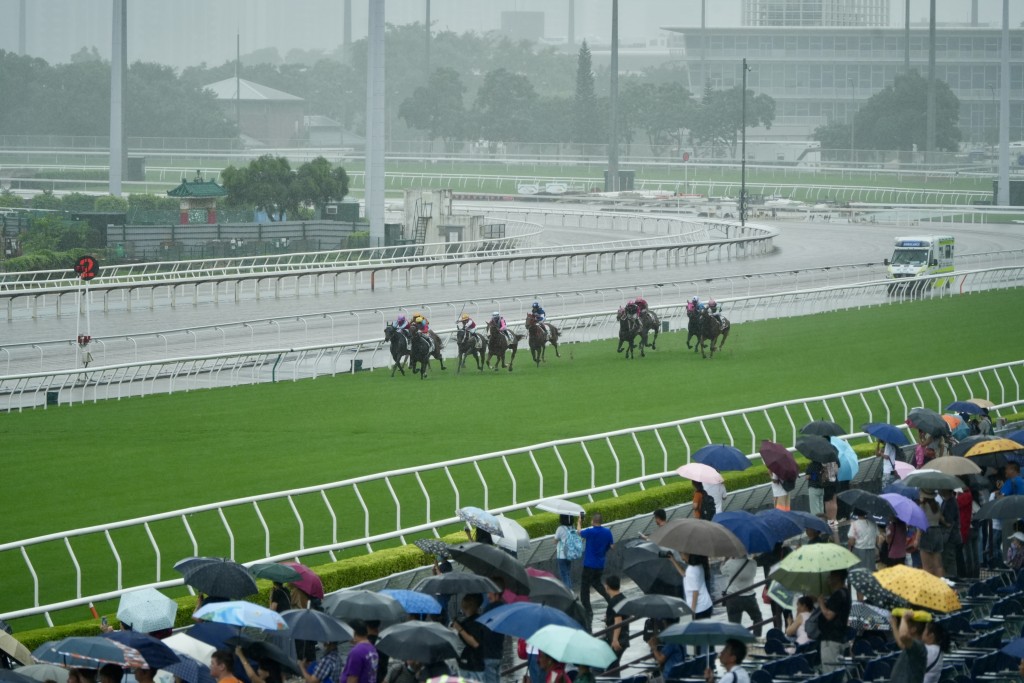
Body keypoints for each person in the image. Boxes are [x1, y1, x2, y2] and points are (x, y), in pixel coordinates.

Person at [579, 512, 614, 622]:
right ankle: (611, 601)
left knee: (584, 590)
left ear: (593, 521)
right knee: (597, 584)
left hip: (589, 565)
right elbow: (612, 546)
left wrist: (579, 522)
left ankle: (588, 611)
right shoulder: (608, 532)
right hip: (600, 564)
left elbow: (579, 532)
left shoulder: (590, 531)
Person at [817, 570, 851, 673]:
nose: (829, 579)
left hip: (831, 639)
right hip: (841, 637)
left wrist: (821, 604)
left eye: (831, 576)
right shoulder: (846, 593)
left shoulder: (838, 595)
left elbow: (829, 615)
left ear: (837, 578)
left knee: (830, 671)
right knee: (840, 672)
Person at [720, 555, 761, 637]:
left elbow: (722, 571)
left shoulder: (729, 563)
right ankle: (756, 639)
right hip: (749, 597)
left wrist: (726, 558)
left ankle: (736, 645)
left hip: (733, 598)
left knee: (734, 625)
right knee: (758, 619)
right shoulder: (753, 563)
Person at [453, 594, 487, 681]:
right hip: (471, 664)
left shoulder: (472, 623)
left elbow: (475, 643)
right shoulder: (480, 621)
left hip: (473, 666)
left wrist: (459, 629)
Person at [889, 609, 929, 683]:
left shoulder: (919, 646)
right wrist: (893, 625)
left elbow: (903, 636)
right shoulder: (911, 646)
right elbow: (901, 644)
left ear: (913, 629)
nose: (902, 626)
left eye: (906, 625)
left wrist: (904, 619)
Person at [603, 575, 629, 665]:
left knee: (611, 666)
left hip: (618, 638)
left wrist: (615, 639)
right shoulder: (623, 598)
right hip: (624, 635)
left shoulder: (614, 601)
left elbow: (618, 620)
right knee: (614, 665)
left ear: (607, 586)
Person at [918, 491, 945, 578]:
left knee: (927, 566)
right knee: (938, 565)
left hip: (927, 532)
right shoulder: (936, 504)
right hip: (937, 531)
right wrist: (947, 524)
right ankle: (940, 585)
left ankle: (929, 587)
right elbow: (941, 518)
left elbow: (921, 524)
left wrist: (916, 539)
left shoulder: (923, 506)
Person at [847, 509, 879, 576]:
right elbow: (877, 540)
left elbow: (852, 541)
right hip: (871, 551)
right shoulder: (873, 523)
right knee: (870, 572)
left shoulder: (854, 524)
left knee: (858, 572)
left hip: (859, 551)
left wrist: (849, 548)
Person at [939, 489, 962, 579]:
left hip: (950, 537)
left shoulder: (951, 503)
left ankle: (952, 580)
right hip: (948, 536)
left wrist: (940, 517)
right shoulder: (946, 501)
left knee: (949, 560)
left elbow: (949, 522)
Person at [554, 514, 579, 590]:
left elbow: (555, 541)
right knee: (567, 574)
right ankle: (571, 591)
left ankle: (569, 593)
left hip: (561, 555)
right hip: (570, 554)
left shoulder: (560, 529)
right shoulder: (572, 527)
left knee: (564, 575)